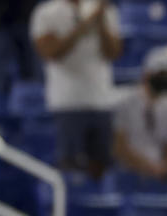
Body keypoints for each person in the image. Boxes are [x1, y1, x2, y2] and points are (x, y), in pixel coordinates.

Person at [30, 0, 122, 178]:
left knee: (103, 170)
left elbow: (114, 53)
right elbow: (50, 52)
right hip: (67, 102)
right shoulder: (47, 12)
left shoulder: (104, 10)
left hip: (101, 100)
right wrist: (84, 26)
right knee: (70, 170)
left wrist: (101, 22)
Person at [112, 47, 167, 180]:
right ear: (147, 74)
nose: (165, 78)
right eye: (161, 74)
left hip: (161, 175)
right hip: (129, 174)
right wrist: (147, 167)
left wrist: (163, 168)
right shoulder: (125, 104)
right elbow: (120, 147)